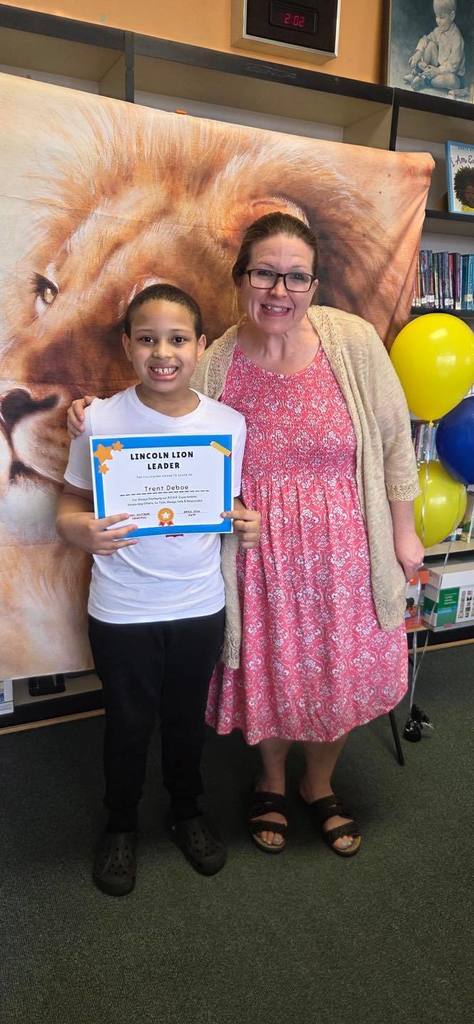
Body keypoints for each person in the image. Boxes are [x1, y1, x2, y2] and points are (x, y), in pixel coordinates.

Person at [68, 212, 424, 859]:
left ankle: (320, 785)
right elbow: (164, 416)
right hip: (257, 557)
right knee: (274, 673)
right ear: (240, 280)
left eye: (296, 277)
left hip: (347, 547)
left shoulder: (353, 341)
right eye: (264, 273)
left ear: (313, 285)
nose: (279, 290)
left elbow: (396, 442)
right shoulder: (216, 361)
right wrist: (88, 413)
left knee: (337, 673)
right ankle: (271, 779)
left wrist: (404, 536)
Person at [57, 283, 260, 895]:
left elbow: (227, 503)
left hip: (199, 604)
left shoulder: (228, 423)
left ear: (201, 346)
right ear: (127, 345)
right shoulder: (98, 420)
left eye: (177, 340)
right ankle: (120, 822)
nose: (162, 353)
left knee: (184, 719)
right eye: (147, 339)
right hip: (122, 608)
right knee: (126, 722)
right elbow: (69, 506)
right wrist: (79, 531)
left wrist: (245, 520)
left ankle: (187, 809)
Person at [404, 1, 465, 96]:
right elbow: (425, 38)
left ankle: (425, 80)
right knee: (430, 45)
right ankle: (418, 73)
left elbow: (453, 66)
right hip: (436, 67)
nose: (438, 21)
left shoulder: (457, 38)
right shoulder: (438, 31)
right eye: (437, 16)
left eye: (442, 17)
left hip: (452, 73)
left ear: (452, 16)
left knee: (451, 80)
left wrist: (437, 71)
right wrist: (418, 52)